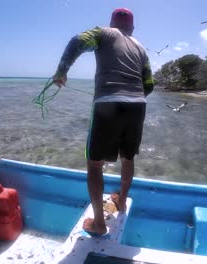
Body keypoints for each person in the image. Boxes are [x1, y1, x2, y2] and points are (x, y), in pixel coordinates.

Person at [52, 8, 154, 236]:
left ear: (111, 23)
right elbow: (149, 84)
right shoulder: (141, 48)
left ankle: (99, 224)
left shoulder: (104, 33)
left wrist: (62, 71)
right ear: (132, 28)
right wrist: (131, 100)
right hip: (138, 106)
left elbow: (78, 41)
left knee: (94, 164)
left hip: (108, 104)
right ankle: (122, 201)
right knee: (128, 157)